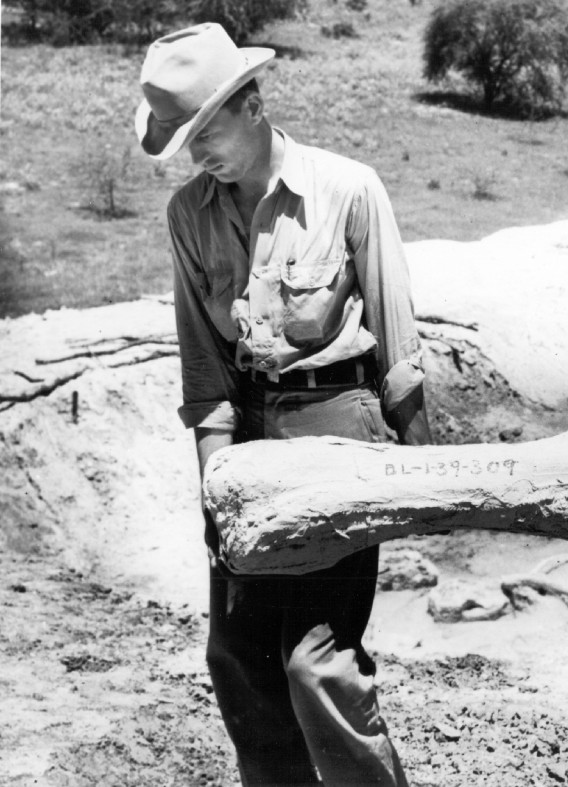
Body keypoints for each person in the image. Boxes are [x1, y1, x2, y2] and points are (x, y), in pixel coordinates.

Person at [136, 22, 430, 786]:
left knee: (316, 661)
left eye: (206, 131)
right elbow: (204, 373)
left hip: (341, 429)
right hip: (248, 446)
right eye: (184, 139)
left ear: (254, 105)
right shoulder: (189, 217)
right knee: (235, 654)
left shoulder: (348, 190)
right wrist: (214, 486)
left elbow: (398, 352)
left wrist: (428, 482)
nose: (197, 154)